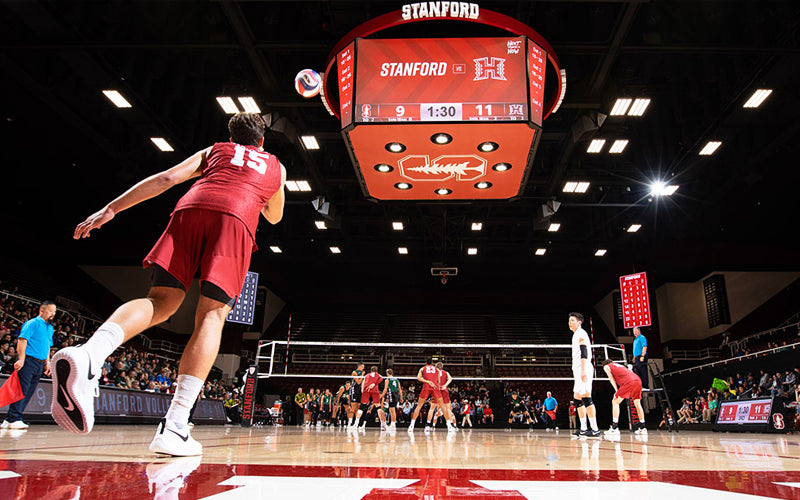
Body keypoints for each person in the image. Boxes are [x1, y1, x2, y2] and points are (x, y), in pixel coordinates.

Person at [50, 113, 285, 456]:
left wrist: (110, 210)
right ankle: (174, 426)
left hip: (190, 206)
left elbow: (167, 178)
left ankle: (89, 354)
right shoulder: (275, 165)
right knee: (212, 315)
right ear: (262, 141)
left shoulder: (214, 151)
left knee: (159, 300)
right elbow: (275, 216)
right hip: (235, 217)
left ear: (231, 138)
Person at [1, 301, 56, 429]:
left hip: (39, 363)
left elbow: (48, 346)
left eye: (54, 312)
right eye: (50, 311)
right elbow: (22, 340)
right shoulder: (32, 323)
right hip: (28, 361)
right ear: (41, 311)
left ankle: (11, 419)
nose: (53, 314)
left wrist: (47, 362)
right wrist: (21, 359)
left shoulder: (50, 328)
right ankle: (14, 418)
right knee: (21, 390)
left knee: (28, 392)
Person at [569, 312, 601, 438]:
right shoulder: (575, 335)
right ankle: (583, 429)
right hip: (577, 369)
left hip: (584, 368)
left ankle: (595, 429)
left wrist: (583, 370)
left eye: (572, 320)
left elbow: (584, 351)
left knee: (586, 397)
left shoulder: (581, 333)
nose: (570, 322)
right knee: (577, 398)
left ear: (579, 322)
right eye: (569, 320)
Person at [601, 359, 646, 437]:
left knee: (615, 401)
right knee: (637, 403)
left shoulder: (606, 366)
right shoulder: (619, 365)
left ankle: (615, 427)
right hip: (638, 380)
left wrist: (616, 391)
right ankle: (643, 427)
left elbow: (611, 379)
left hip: (629, 382)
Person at [408, 359, 445, 433]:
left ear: (425, 363)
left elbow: (418, 378)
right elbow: (439, 382)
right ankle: (450, 425)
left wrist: (428, 381)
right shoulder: (438, 370)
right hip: (436, 388)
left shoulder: (423, 368)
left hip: (426, 387)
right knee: (444, 407)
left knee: (419, 406)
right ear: (432, 363)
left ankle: (412, 425)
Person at [352, 366, 386, 430]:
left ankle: (355, 424)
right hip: (375, 390)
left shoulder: (367, 375)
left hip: (366, 390)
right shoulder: (378, 375)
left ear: (371, 370)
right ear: (377, 371)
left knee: (361, 407)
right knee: (378, 407)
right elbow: (381, 379)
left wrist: (362, 390)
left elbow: (363, 382)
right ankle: (382, 425)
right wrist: (374, 384)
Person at [348, 363, 365, 427]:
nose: (363, 368)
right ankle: (350, 422)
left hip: (360, 391)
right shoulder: (354, 372)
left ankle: (356, 423)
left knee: (358, 407)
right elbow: (358, 382)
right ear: (359, 366)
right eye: (362, 367)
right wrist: (362, 375)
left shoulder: (362, 373)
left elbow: (362, 382)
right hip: (354, 390)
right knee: (353, 408)